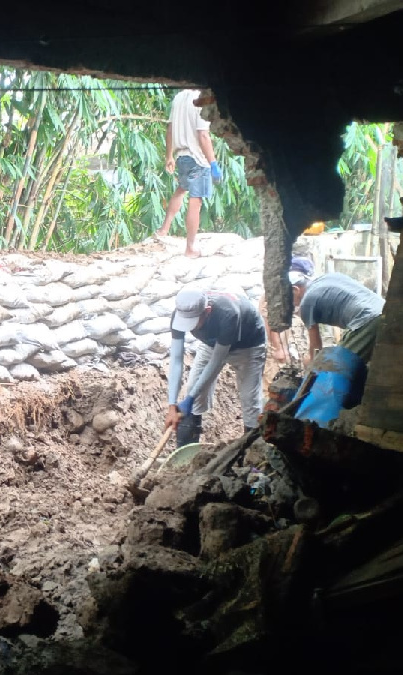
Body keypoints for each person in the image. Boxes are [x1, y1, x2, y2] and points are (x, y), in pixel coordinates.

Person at [165, 286, 268, 446]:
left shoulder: (228, 314)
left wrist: (190, 397)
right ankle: (186, 453)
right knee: (194, 389)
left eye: (193, 322)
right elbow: (177, 359)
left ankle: (252, 454)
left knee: (250, 400)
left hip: (249, 345)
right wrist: (172, 404)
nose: (189, 327)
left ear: (207, 311)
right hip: (211, 344)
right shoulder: (179, 315)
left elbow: (216, 361)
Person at [154, 89, 223, 257]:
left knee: (181, 189)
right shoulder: (201, 99)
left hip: (181, 156)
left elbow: (170, 128)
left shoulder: (178, 97)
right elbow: (203, 135)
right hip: (198, 158)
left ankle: (163, 229)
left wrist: (169, 155)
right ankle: (190, 247)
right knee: (196, 199)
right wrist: (213, 163)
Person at [291, 270, 385, 365]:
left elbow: (316, 348)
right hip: (385, 311)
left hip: (367, 319)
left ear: (295, 290)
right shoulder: (327, 278)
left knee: (337, 368)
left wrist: (310, 363)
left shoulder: (307, 303)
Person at [265, 255, 316, 363]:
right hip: (270, 342)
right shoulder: (276, 294)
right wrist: (278, 348)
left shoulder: (301, 293)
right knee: (274, 368)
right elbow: (271, 321)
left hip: (283, 338)